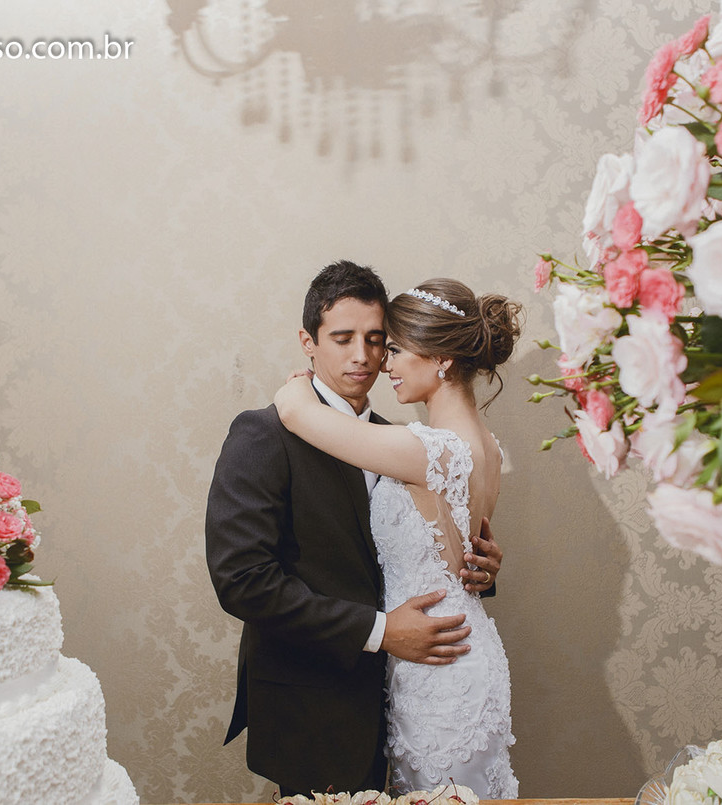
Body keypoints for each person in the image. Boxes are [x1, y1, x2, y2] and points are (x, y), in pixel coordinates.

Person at [205, 262, 504, 797]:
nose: (363, 356)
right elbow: (242, 579)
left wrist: (479, 568)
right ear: (308, 342)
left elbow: (429, 548)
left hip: (416, 690)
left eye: (377, 340)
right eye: (343, 339)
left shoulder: (406, 443)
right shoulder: (264, 433)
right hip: (316, 702)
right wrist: (380, 631)